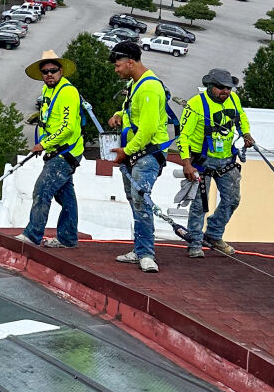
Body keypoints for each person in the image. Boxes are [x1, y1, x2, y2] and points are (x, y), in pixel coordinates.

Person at [107, 39, 176, 274]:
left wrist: (126, 151)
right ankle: (139, 249)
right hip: (135, 155)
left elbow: (146, 130)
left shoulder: (148, 87)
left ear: (130, 62)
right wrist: (119, 114)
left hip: (146, 155)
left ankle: (146, 254)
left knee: (141, 202)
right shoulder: (137, 84)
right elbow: (133, 113)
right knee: (136, 202)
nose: (116, 70)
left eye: (118, 65)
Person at [178, 67, 255, 257]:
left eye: (229, 88)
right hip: (201, 162)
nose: (226, 92)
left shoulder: (233, 100)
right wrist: (186, 163)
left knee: (232, 200)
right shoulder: (195, 105)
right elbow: (183, 137)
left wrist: (246, 133)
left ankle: (213, 234)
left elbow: (241, 117)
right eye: (221, 88)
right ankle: (195, 241)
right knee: (199, 204)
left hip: (226, 160)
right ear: (210, 86)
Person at [20, 50, 84, 250]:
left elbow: (67, 128)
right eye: (45, 72)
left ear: (61, 71)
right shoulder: (48, 90)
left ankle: (32, 234)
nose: (49, 75)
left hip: (66, 152)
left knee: (42, 189)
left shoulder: (68, 92)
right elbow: (50, 120)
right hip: (56, 151)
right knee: (66, 197)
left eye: (53, 71)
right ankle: (68, 238)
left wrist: (44, 145)